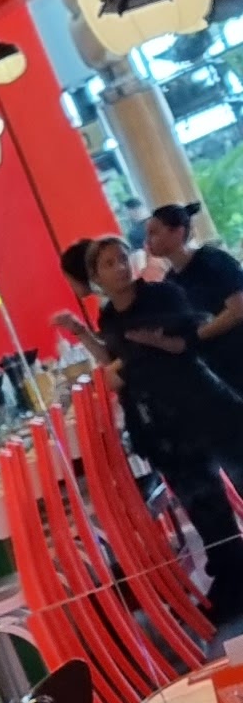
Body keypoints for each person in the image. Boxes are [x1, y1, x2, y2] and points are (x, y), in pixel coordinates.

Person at [60, 230, 243, 623]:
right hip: (161, 423)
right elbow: (112, 358)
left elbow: (184, 341)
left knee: (228, 485)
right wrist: (81, 333)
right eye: (108, 264)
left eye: (122, 258)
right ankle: (232, 579)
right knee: (201, 505)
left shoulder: (161, 296)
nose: (120, 268)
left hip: (202, 404)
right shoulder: (109, 316)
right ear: (96, 277)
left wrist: (144, 353)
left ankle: (232, 578)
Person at [146, 201, 243, 399]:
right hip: (219, 364)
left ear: (178, 232)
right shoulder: (170, 282)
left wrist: (197, 335)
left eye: (154, 232)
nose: (148, 240)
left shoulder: (212, 259)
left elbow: (238, 308)